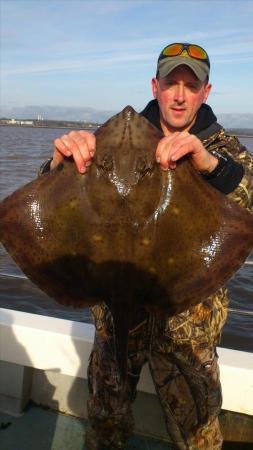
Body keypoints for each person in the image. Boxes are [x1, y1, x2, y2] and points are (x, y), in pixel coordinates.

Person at [40, 43, 253, 450]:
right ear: (155, 86)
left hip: (189, 329)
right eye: (171, 82)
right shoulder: (113, 140)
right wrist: (57, 164)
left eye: (191, 86)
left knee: (198, 435)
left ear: (206, 93)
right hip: (115, 321)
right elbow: (51, 204)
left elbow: (250, 200)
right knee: (105, 426)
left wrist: (209, 165)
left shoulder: (224, 150)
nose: (179, 95)